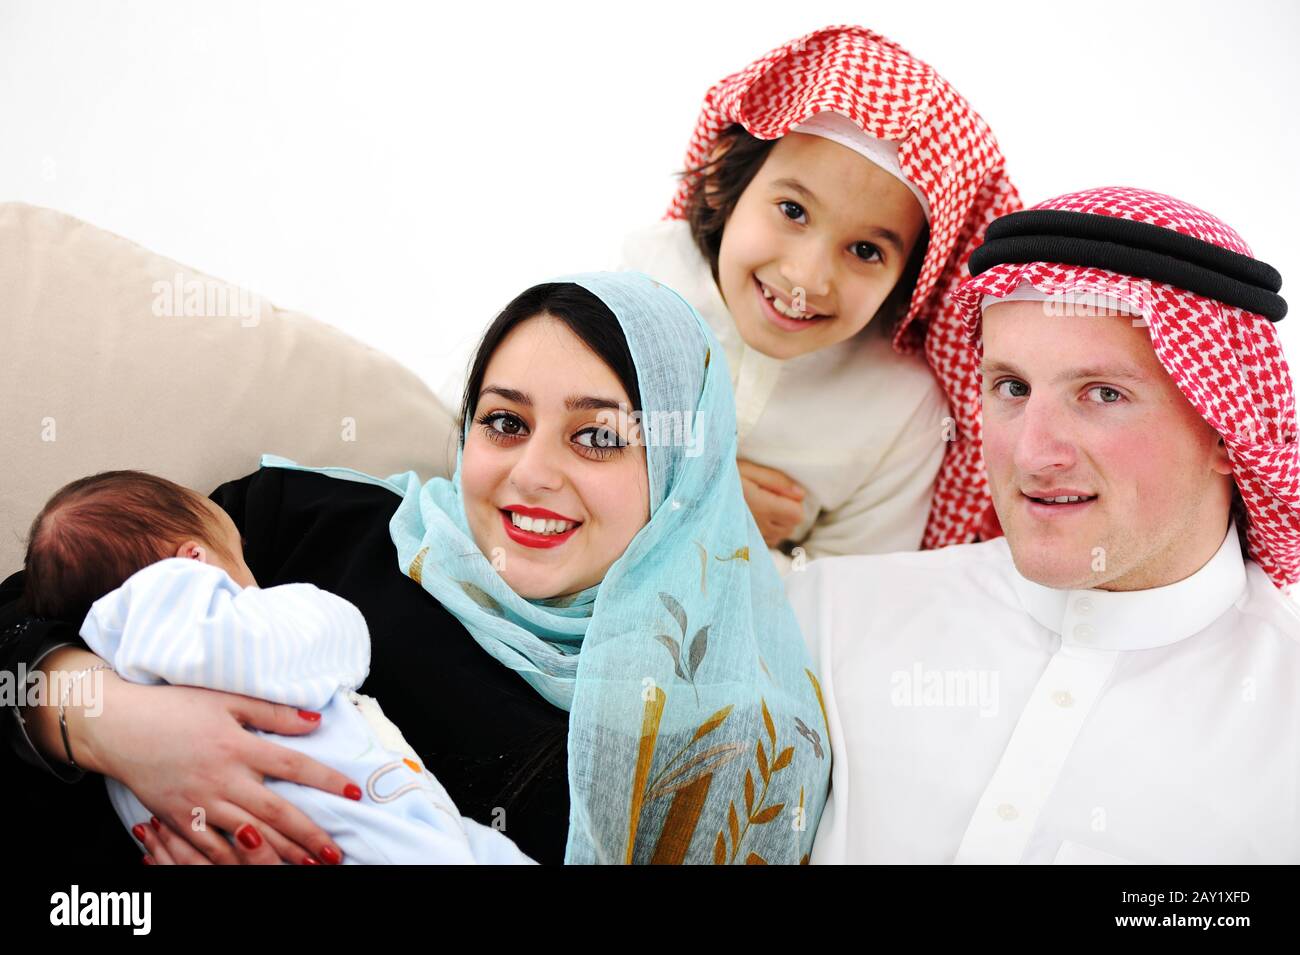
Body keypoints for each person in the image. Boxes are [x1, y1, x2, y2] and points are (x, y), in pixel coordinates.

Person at [2, 272, 830, 865]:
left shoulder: (713, 736)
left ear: (688, 472)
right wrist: (116, 724)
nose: (532, 472)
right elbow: (25, 617)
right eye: (504, 422)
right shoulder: (316, 520)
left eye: (598, 435)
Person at [786, 187, 1300, 863]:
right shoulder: (826, 613)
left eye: (1104, 395)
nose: (1032, 453)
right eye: (1012, 388)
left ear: (1226, 432)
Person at [618, 24, 1021, 571]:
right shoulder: (643, 280)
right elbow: (491, 436)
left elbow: (848, 606)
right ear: (721, 179)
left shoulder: (903, 415)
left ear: (913, 281)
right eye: (792, 211)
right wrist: (701, 500)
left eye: (864, 250)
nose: (807, 277)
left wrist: (719, 536)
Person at [22, 470, 535, 864]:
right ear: (195, 559)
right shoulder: (184, 608)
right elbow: (330, 644)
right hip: (363, 818)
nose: (253, 578)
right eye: (240, 556)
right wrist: (329, 614)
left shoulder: (122, 699)